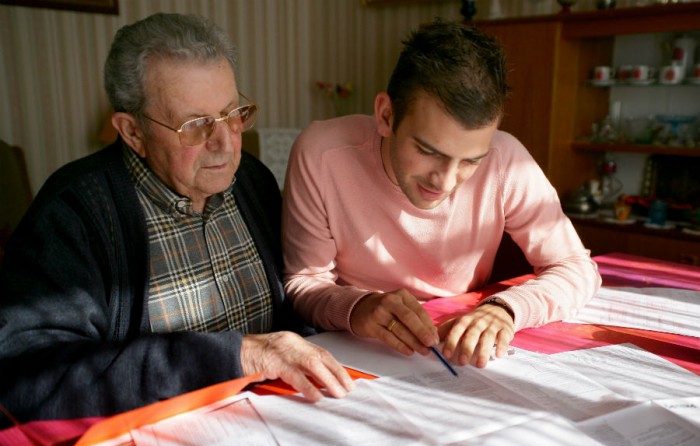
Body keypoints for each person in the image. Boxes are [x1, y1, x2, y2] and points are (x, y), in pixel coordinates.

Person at [0, 13, 353, 425]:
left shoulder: (252, 182)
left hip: (281, 422)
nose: (224, 142)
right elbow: (26, 376)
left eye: (232, 113)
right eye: (195, 125)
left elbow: (291, 311)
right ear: (132, 132)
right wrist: (235, 357)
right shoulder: (73, 212)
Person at [282, 20, 601, 369]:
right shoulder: (321, 152)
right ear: (386, 115)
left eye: (470, 161)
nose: (446, 182)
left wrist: (507, 309)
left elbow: (576, 268)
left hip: (459, 346)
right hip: (357, 348)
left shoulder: (506, 160)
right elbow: (303, 282)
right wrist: (358, 307)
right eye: (428, 150)